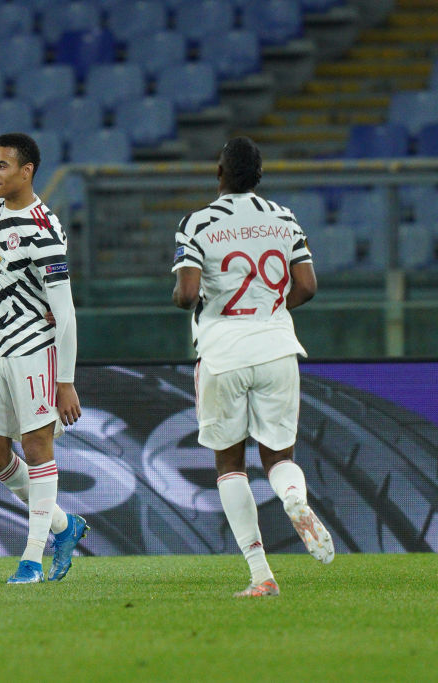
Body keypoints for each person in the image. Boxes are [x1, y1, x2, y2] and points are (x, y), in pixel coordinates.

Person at [172, 136, 335, 598]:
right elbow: (307, 285)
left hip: (223, 352)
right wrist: (270, 310)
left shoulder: (198, 223)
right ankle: (294, 498)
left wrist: (186, 298)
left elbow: (186, 294)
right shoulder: (284, 218)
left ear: (219, 173)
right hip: (278, 348)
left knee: (229, 464)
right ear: (259, 176)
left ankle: (261, 574)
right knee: (280, 458)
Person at [0, 133, 87, 584]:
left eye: (2, 165)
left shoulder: (44, 229)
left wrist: (66, 380)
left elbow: (65, 312)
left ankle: (31, 560)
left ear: (27, 171)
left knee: (38, 448)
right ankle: (63, 525)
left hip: (34, 352)